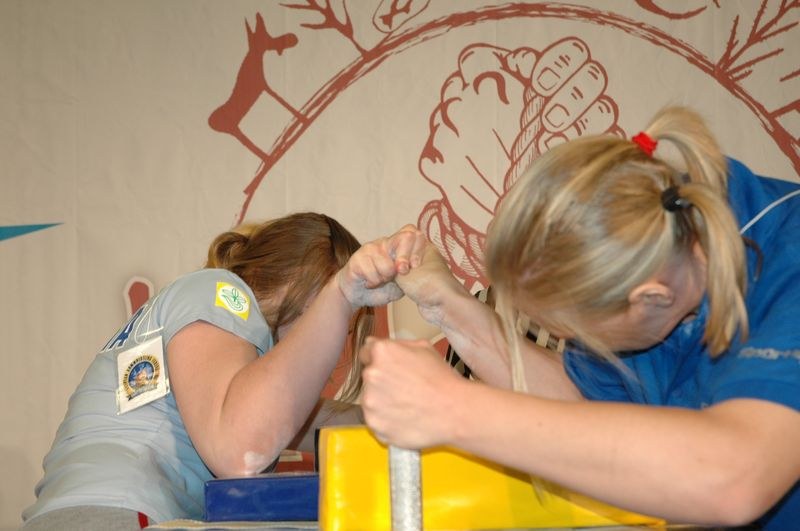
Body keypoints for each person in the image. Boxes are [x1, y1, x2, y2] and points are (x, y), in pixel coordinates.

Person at [359, 106, 800, 529]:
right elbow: (584, 418)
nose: (563, 339)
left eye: (570, 331)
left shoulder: (788, 257)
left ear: (651, 299)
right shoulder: (657, 248)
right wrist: (453, 307)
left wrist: (451, 407)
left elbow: (737, 476)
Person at [22, 212, 426, 530]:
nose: (333, 339)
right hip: (113, 516)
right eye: (334, 315)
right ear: (296, 279)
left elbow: (322, 421)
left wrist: (430, 410)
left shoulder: (225, 352)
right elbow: (240, 450)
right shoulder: (220, 293)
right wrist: (341, 294)